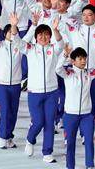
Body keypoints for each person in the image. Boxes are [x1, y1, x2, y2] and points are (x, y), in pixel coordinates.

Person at [14, 19, 65, 163]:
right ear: (36, 37)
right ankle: (30, 139)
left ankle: (47, 152)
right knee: (38, 121)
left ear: (50, 36)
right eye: (40, 35)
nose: (43, 37)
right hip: (35, 92)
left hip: (52, 92)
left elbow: (61, 44)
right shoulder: (30, 49)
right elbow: (17, 41)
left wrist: (56, 30)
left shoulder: (53, 49)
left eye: (46, 34)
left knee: (49, 123)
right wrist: (14, 25)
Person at [56, 46, 95, 169]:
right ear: (73, 61)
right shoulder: (68, 73)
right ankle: (70, 166)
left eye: (84, 58)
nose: (83, 61)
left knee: (89, 140)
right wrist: (64, 54)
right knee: (70, 143)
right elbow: (57, 69)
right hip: (70, 115)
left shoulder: (89, 73)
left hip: (87, 115)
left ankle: (90, 165)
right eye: (80, 59)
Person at [0, 14, 24, 149]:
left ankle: (9, 136)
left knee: (13, 112)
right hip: (1, 85)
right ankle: (2, 137)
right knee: (4, 110)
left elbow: (28, 36)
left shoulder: (20, 47)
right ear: (4, 34)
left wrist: (33, 24)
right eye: (9, 32)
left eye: (13, 31)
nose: (11, 34)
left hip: (15, 84)